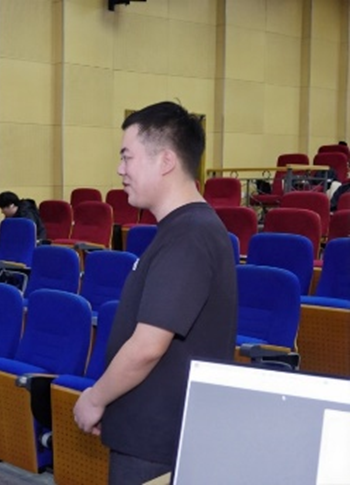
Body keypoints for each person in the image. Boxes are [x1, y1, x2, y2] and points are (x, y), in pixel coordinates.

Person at [73, 101, 237, 484]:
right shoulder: (180, 231)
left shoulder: (190, 236)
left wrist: (95, 398)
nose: (120, 169)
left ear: (165, 161)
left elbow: (148, 346)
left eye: (127, 156)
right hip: (148, 439)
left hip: (157, 449)